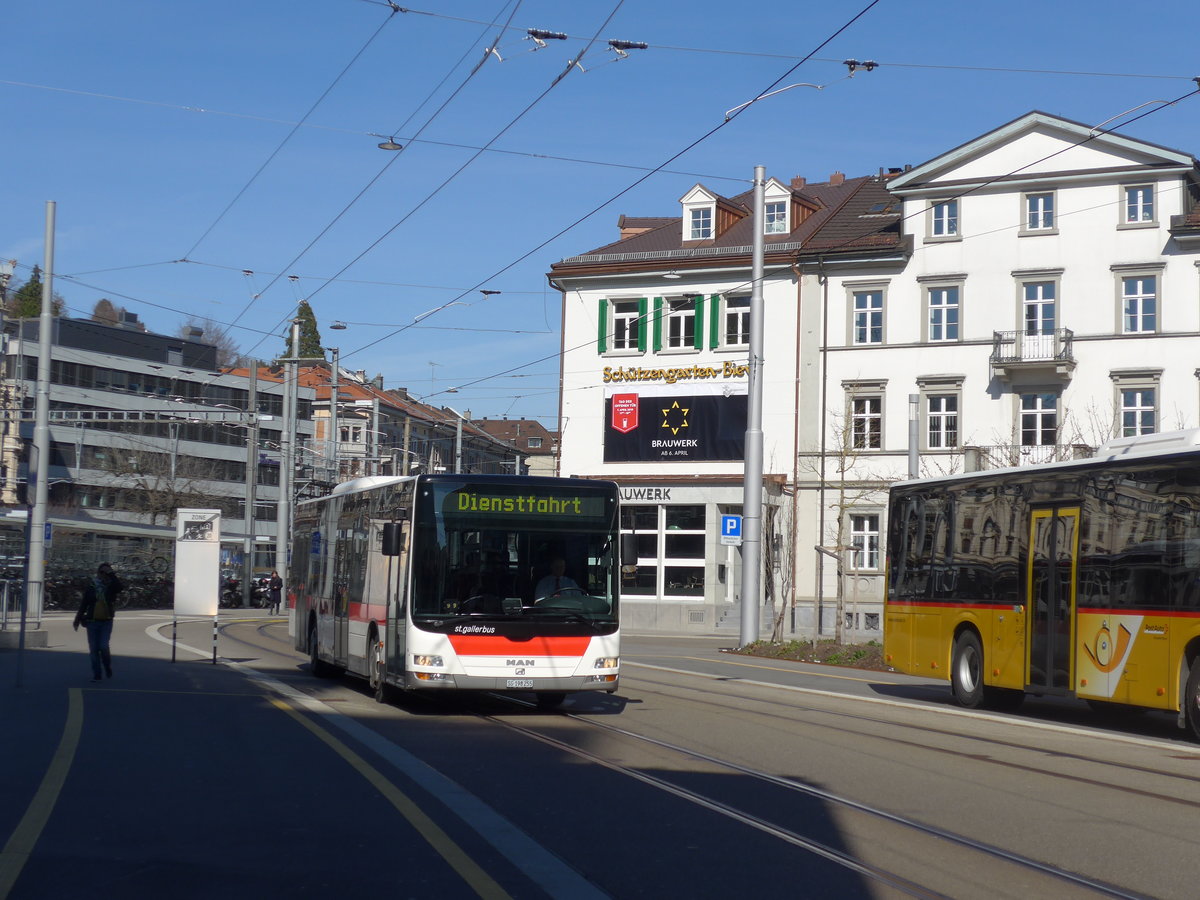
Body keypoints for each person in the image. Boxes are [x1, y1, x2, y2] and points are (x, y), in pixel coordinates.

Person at [73, 563, 123, 682]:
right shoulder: (92, 586)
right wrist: (77, 619)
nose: (103, 575)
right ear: (97, 573)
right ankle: (97, 674)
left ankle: (107, 666)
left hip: (106, 621)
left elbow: (120, 588)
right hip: (92, 621)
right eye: (101, 572)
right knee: (94, 649)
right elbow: (84, 604)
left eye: (105, 573)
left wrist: (111, 573)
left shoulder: (111, 586)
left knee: (103, 646)